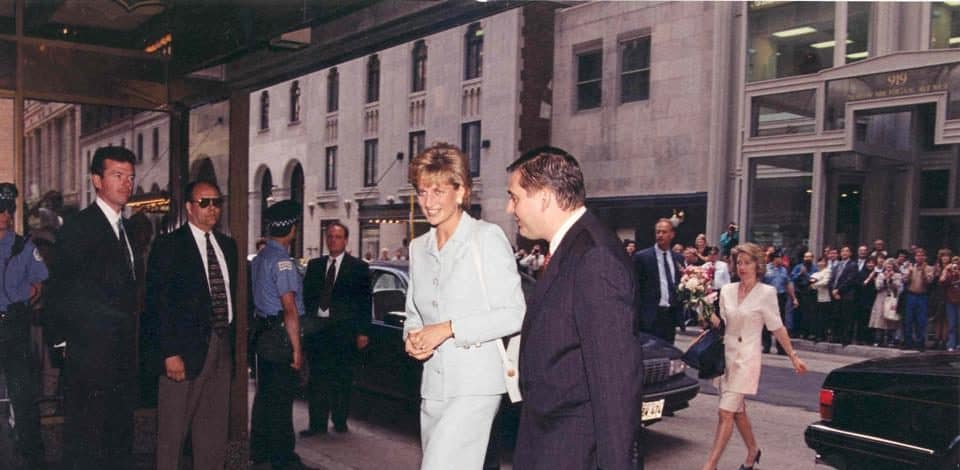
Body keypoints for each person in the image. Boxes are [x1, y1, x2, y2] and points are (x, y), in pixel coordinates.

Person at [506, 146, 641, 470]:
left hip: (573, 451)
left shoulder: (595, 258)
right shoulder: (571, 248)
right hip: (551, 440)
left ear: (544, 197)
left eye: (515, 197)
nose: (511, 208)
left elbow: (615, 383)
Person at [401, 144, 524, 470]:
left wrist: (448, 328)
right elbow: (414, 312)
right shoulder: (418, 248)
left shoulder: (485, 238)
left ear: (461, 192)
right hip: (433, 388)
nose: (427, 202)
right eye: (422, 191)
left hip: (476, 385)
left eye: (438, 191)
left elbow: (514, 312)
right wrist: (413, 338)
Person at [46, 146, 140, 469]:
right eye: (117, 175)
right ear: (96, 180)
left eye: (130, 176)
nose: (127, 183)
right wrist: (65, 347)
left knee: (117, 442)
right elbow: (59, 292)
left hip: (120, 359)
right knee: (87, 445)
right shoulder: (80, 228)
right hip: (90, 360)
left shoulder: (125, 229)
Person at [146, 180, 238, 470]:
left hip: (221, 346)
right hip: (183, 352)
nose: (212, 209)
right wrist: (169, 352)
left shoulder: (228, 246)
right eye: (204, 202)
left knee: (212, 433)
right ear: (189, 207)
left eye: (216, 202)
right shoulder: (169, 246)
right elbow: (156, 305)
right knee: (173, 433)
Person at [702, 243, 807, 470]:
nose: (742, 267)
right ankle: (752, 451)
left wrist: (793, 356)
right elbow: (721, 324)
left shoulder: (766, 294)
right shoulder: (728, 290)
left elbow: (777, 328)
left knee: (725, 412)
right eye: (739, 262)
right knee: (738, 412)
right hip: (726, 359)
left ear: (757, 265)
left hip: (747, 360)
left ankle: (710, 465)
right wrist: (702, 308)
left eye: (747, 262)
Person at [249, 200, 307, 469]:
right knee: (282, 400)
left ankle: (260, 451)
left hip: (263, 334)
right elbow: (289, 308)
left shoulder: (261, 257)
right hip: (280, 337)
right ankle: (284, 458)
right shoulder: (282, 261)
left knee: (266, 396)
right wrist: (296, 349)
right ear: (292, 229)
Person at [300, 222, 371, 436]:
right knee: (317, 379)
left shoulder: (358, 268)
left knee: (342, 378)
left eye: (338, 237)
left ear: (346, 240)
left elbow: (365, 302)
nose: (333, 240)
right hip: (318, 331)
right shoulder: (314, 266)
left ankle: (340, 421)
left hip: (344, 332)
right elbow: (307, 298)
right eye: (329, 236)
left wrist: (363, 332)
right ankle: (317, 425)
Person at [0, 183, 47, 469]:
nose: (4, 215)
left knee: (24, 394)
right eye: (0, 210)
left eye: (8, 210)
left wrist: (26, 294)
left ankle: (32, 458)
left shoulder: (23, 246)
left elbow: (39, 284)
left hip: (15, 325)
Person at [635, 218, 684, 344]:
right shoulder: (642, 257)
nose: (660, 235)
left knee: (668, 353)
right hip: (650, 316)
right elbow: (635, 287)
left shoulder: (678, 258)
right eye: (658, 232)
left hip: (670, 316)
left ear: (672, 235)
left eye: (664, 232)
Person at [761, 251, 797, 354]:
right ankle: (766, 345)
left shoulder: (784, 270)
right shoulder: (766, 269)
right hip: (767, 296)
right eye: (779, 258)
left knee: (779, 322)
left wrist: (794, 297)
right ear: (774, 258)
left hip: (780, 296)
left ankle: (780, 347)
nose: (781, 260)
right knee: (766, 322)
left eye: (781, 258)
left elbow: (788, 284)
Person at [903, 248, 936, 351]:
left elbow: (929, 282)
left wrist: (923, 272)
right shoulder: (910, 266)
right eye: (917, 256)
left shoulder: (929, 268)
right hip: (911, 295)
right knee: (908, 319)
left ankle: (920, 342)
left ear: (925, 257)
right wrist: (908, 273)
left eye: (921, 256)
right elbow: (904, 280)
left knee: (921, 320)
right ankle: (908, 342)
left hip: (922, 296)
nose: (919, 257)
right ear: (915, 257)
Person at [869, 259, 902, 347]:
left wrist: (891, 279)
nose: (889, 267)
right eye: (887, 266)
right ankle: (878, 339)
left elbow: (897, 286)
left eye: (891, 266)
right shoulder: (880, 275)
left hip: (892, 298)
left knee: (891, 318)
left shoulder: (897, 275)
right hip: (881, 298)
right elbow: (877, 287)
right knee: (880, 318)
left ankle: (891, 340)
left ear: (894, 267)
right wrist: (884, 279)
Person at [830, 246, 860, 345]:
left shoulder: (853, 265)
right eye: (842, 251)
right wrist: (833, 290)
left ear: (850, 253)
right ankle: (836, 336)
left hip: (847, 294)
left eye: (847, 251)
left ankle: (846, 338)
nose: (844, 253)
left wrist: (838, 290)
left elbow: (850, 280)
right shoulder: (837, 265)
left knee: (847, 317)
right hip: (835, 294)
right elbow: (833, 279)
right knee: (837, 316)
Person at [790, 251, 817, 339]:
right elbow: (792, 278)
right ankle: (796, 332)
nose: (807, 259)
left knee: (807, 313)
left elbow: (814, 280)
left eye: (809, 257)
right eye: (806, 257)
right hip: (798, 292)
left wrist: (806, 274)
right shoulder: (798, 267)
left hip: (809, 293)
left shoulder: (815, 268)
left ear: (812, 258)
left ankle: (806, 333)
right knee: (797, 312)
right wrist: (800, 274)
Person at [939, 256, 960, 351]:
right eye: (954, 263)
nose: (956, 266)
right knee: (952, 324)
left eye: (958, 263)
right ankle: (951, 344)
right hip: (950, 301)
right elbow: (942, 280)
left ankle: (958, 343)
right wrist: (946, 269)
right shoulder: (948, 273)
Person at [809, 258, 832, 342]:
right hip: (815, 297)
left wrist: (814, 285)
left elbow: (825, 282)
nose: (821, 263)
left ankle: (823, 335)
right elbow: (810, 281)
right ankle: (817, 334)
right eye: (819, 261)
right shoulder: (816, 273)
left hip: (824, 297)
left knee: (823, 317)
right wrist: (815, 283)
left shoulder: (827, 271)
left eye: (823, 261)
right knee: (816, 316)